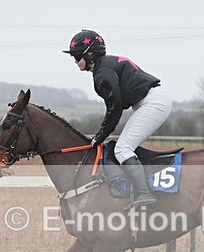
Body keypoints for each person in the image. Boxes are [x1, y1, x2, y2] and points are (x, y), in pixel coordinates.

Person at [63, 29, 172, 208]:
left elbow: (114, 109)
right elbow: (116, 108)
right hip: (152, 100)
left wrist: (100, 136)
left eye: (76, 56)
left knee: (122, 149)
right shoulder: (105, 66)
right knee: (123, 146)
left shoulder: (102, 73)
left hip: (153, 103)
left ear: (90, 54)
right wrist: (102, 134)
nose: (75, 61)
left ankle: (144, 194)